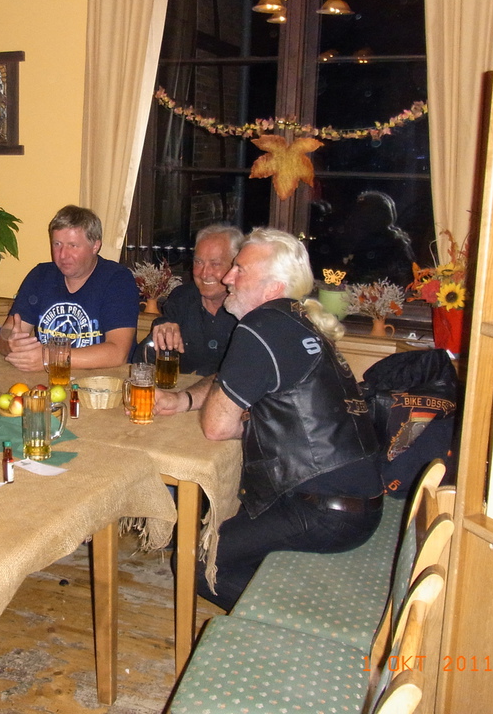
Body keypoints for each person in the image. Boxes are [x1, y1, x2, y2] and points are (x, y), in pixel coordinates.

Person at [156, 228, 383, 610]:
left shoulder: (259, 326)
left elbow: (217, 427)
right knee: (228, 534)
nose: (228, 277)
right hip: (353, 499)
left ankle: (301, 622)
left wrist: (237, 417)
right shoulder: (297, 318)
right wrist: (184, 400)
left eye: (239, 270)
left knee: (195, 561)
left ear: (272, 287)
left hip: (322, 511)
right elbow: (234, 377)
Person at [0, 205, 139, 370]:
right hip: (46, 379)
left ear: (95, 246)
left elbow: (118, 353)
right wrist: (10, 343)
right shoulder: (40, 275)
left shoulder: (117, 279)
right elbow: (6, 332)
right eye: (57, 244)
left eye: (73, 245)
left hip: (100, 381)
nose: (63, 254)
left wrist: (50, 358)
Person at [142, 224, 242, 375]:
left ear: (236, 267)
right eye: (198, 262)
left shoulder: (248, 307)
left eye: (215, 264)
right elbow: (142, 360)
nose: (204, 273)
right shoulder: (182, 299)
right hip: (182, 389)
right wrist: (159, 334)